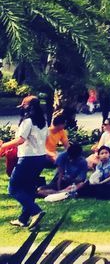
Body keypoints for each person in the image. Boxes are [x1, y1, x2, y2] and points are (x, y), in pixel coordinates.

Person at [1, 96, 49, 228]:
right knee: (28, 188)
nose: (22, 109)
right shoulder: (43, 122)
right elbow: (45, 138)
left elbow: (20, 140)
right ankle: (23, 219)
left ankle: (36, 211)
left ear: (29, 107)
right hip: (40, 158)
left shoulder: (27, 121)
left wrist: (3, 146)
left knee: (14, 188)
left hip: (28, 159)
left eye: (23, 106)